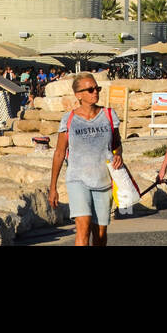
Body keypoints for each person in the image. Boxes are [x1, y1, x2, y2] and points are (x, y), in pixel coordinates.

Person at [48, 73, 123, 246]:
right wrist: (53, 187)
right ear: (78, 95)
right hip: (77, 179)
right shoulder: (69, 120)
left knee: (100, 234)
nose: (95, 92)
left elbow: (117, 145)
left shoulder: (109, 115)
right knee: (83, 229)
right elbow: (59, 153)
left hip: (103, 180)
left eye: (97, 88)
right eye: (90, 89)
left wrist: (118, 154)